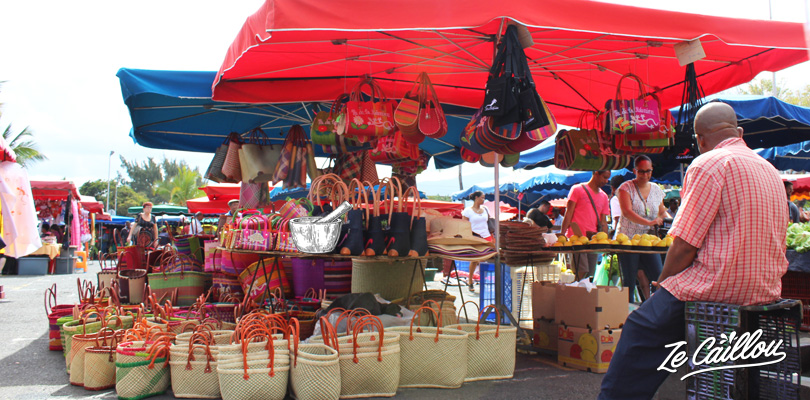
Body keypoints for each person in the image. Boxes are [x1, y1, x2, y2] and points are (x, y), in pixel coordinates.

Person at [599, 102, 789, 399]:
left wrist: (663, 283)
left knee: (639, 327)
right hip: (765, 291)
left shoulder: (708, 163)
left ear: (700, 141)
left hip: (717, 288)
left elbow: (684, 246)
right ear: (739, 132)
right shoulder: (770, 170)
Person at [615, 155, 668, 302]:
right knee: (629, 281)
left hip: (650, 241)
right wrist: (648, 222)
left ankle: (656, 309)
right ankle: (626, 313)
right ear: (634, 171)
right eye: (641, 171)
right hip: (628, 241)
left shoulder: (657, 189)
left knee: (658, 276)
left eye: (648, 171)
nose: (645, 175)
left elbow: (662, 211)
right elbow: (627, 212)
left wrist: (670, 221)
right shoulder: (626, 187)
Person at [559, 170, 610, 280]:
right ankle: (578, 294)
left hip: (593, 240)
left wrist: (606, 242)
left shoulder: (604, 196)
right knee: (581, 271)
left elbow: (603, 222)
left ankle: (584, 295)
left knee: (590, 273)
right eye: (604, 177)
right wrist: (562, 234)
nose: (606, 181)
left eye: (608, 179)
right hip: (576, 237)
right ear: (596, 173)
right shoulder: (577, 189)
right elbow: (569, 213)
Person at [461, 191, 493, 292]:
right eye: (482, 198)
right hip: (474, 236)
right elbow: (464, 225)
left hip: (486, 236)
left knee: (486, 259)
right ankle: (470, 280)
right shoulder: (468, 211)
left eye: (484, 198)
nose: (483, 200)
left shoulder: (485, 209)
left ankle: (483, 280)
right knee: (475, 260)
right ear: (476, 197)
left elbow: (488, 222)